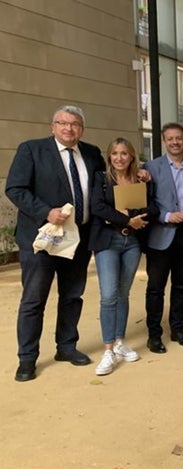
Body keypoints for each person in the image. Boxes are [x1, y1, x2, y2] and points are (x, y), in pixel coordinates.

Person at [6, 105, 105, 382]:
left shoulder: (93, 154)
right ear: (53, 126)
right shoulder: (31, 150)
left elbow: (103, 188)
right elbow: (15, 188)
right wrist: (45, 211)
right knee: (34, 300)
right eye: (62, 123)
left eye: (74, 124)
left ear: (82, 129)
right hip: (42, 240)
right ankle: (27, 359)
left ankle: (66, 346)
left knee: (72, 295)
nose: (68, 128)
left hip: (79, 240)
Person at [89, 138, 156, 375]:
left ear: (131, 156)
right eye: (115, 153)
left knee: (123, 293)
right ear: (109, 156)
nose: (119, 157)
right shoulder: (101, 179)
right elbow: (97, 207)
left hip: (132, 242)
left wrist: (136, 218)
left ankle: (119, 342)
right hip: (108, 241)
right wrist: (126, 219)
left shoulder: (140, 179)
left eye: (124, 153)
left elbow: (152, 206)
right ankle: (108, 350)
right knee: (108, 295)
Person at [143, 123, 183, 353]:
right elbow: (146, 203)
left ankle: (177, 329)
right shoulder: (151, 167)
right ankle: (154, 335)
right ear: (163, 141)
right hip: (161, 235)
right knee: (155, 288)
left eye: (179, 138)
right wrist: (167, 216)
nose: (175, 142)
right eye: (170, 139)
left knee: (181, 286)